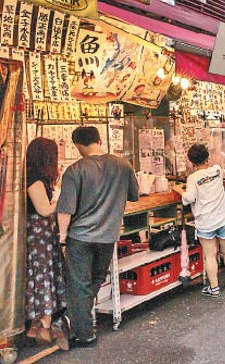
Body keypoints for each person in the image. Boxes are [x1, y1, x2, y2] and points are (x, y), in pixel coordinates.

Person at [57, 127, 139, 348]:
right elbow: (134, 195)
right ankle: (78, 318)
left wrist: (62, 236)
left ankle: (82, 330)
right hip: (107, 236)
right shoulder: (123, 165)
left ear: (77, 145)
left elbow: (65, 208)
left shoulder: (75, 170)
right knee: (96, 279)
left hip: (80, 236)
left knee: (80, 284)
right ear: (99, 139)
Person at [173, 144, 225, 297]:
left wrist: (179, 190)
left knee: (210, 255)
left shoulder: (193, 178)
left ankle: (214, 288)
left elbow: (189, 198)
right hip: (223, 218)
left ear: (192, 162)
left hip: (205, 222)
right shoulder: (217, 170)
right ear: (207, 158)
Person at [24, 138, 68, 350]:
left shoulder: (30, 176)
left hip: (38, 234)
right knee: (43, 275)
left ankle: (36, 324)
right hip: (38, 235)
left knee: (39, 276)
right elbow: (43, 209)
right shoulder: (35, 180)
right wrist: (63, 200)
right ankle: (43, 324)